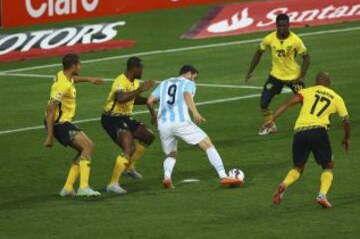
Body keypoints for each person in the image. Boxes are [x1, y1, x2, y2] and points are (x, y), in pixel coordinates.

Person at [263, 72, 350, 208]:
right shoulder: (336, 97)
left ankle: (284, 184)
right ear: (329, 82)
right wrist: (346, 138)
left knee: (298, 167)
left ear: (316, 82)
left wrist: (272, 119)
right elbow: (346, 120)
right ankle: (322, 195)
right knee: (328, 166)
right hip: (318, 131)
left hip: (300, 132)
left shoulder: (307, 91)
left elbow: (288, 103)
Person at [147, 65, 243, 189]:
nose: (194, 80)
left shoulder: (165, 82)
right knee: (208, 145)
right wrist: (195, 111)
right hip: (180, 122)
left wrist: (154, 115)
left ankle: (167, 178)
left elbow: (149, 101)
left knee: (171, 154)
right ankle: (223, 176)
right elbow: (187, 95)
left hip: (163, 124)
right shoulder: (188, 83)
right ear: (189, 73)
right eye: (194, 77)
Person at [44, 54, 103, 197]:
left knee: (83, 150)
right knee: (88, 146)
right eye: (79, 65)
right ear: (73, 66)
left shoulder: (63, 75)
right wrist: (50, 136)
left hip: (61, 122)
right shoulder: (62, 85)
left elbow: (72, 80)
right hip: (59, 124)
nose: (80, 67)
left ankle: (68, 188)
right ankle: (83, 187)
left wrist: (89, 79)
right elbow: (51, 109)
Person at [245, 13, 311, 135]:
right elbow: (259, 52)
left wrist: (301, 76)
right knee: (264, 103)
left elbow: (307, 58)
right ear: (276, 25)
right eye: (279, 26)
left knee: (306, 102)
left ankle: (314, 123)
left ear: (289, 25)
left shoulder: (295, 40)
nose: (282, 28)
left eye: (284, 26)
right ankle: (271, 125)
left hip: (294, 77)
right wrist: (250, 71)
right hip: (276, 76)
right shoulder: (269, 39)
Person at [101, 57, 156, 194]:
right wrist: (141, 89)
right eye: (141, 68)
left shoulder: (135, 81)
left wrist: (148, 100)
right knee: (129, 147)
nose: (142, 71)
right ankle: (113, 184)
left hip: (124, 117)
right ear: (134, 68)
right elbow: (121, 98)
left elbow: (133, 98)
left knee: (148, 136)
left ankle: (129, 168)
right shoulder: (120, 81)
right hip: (111, 118)